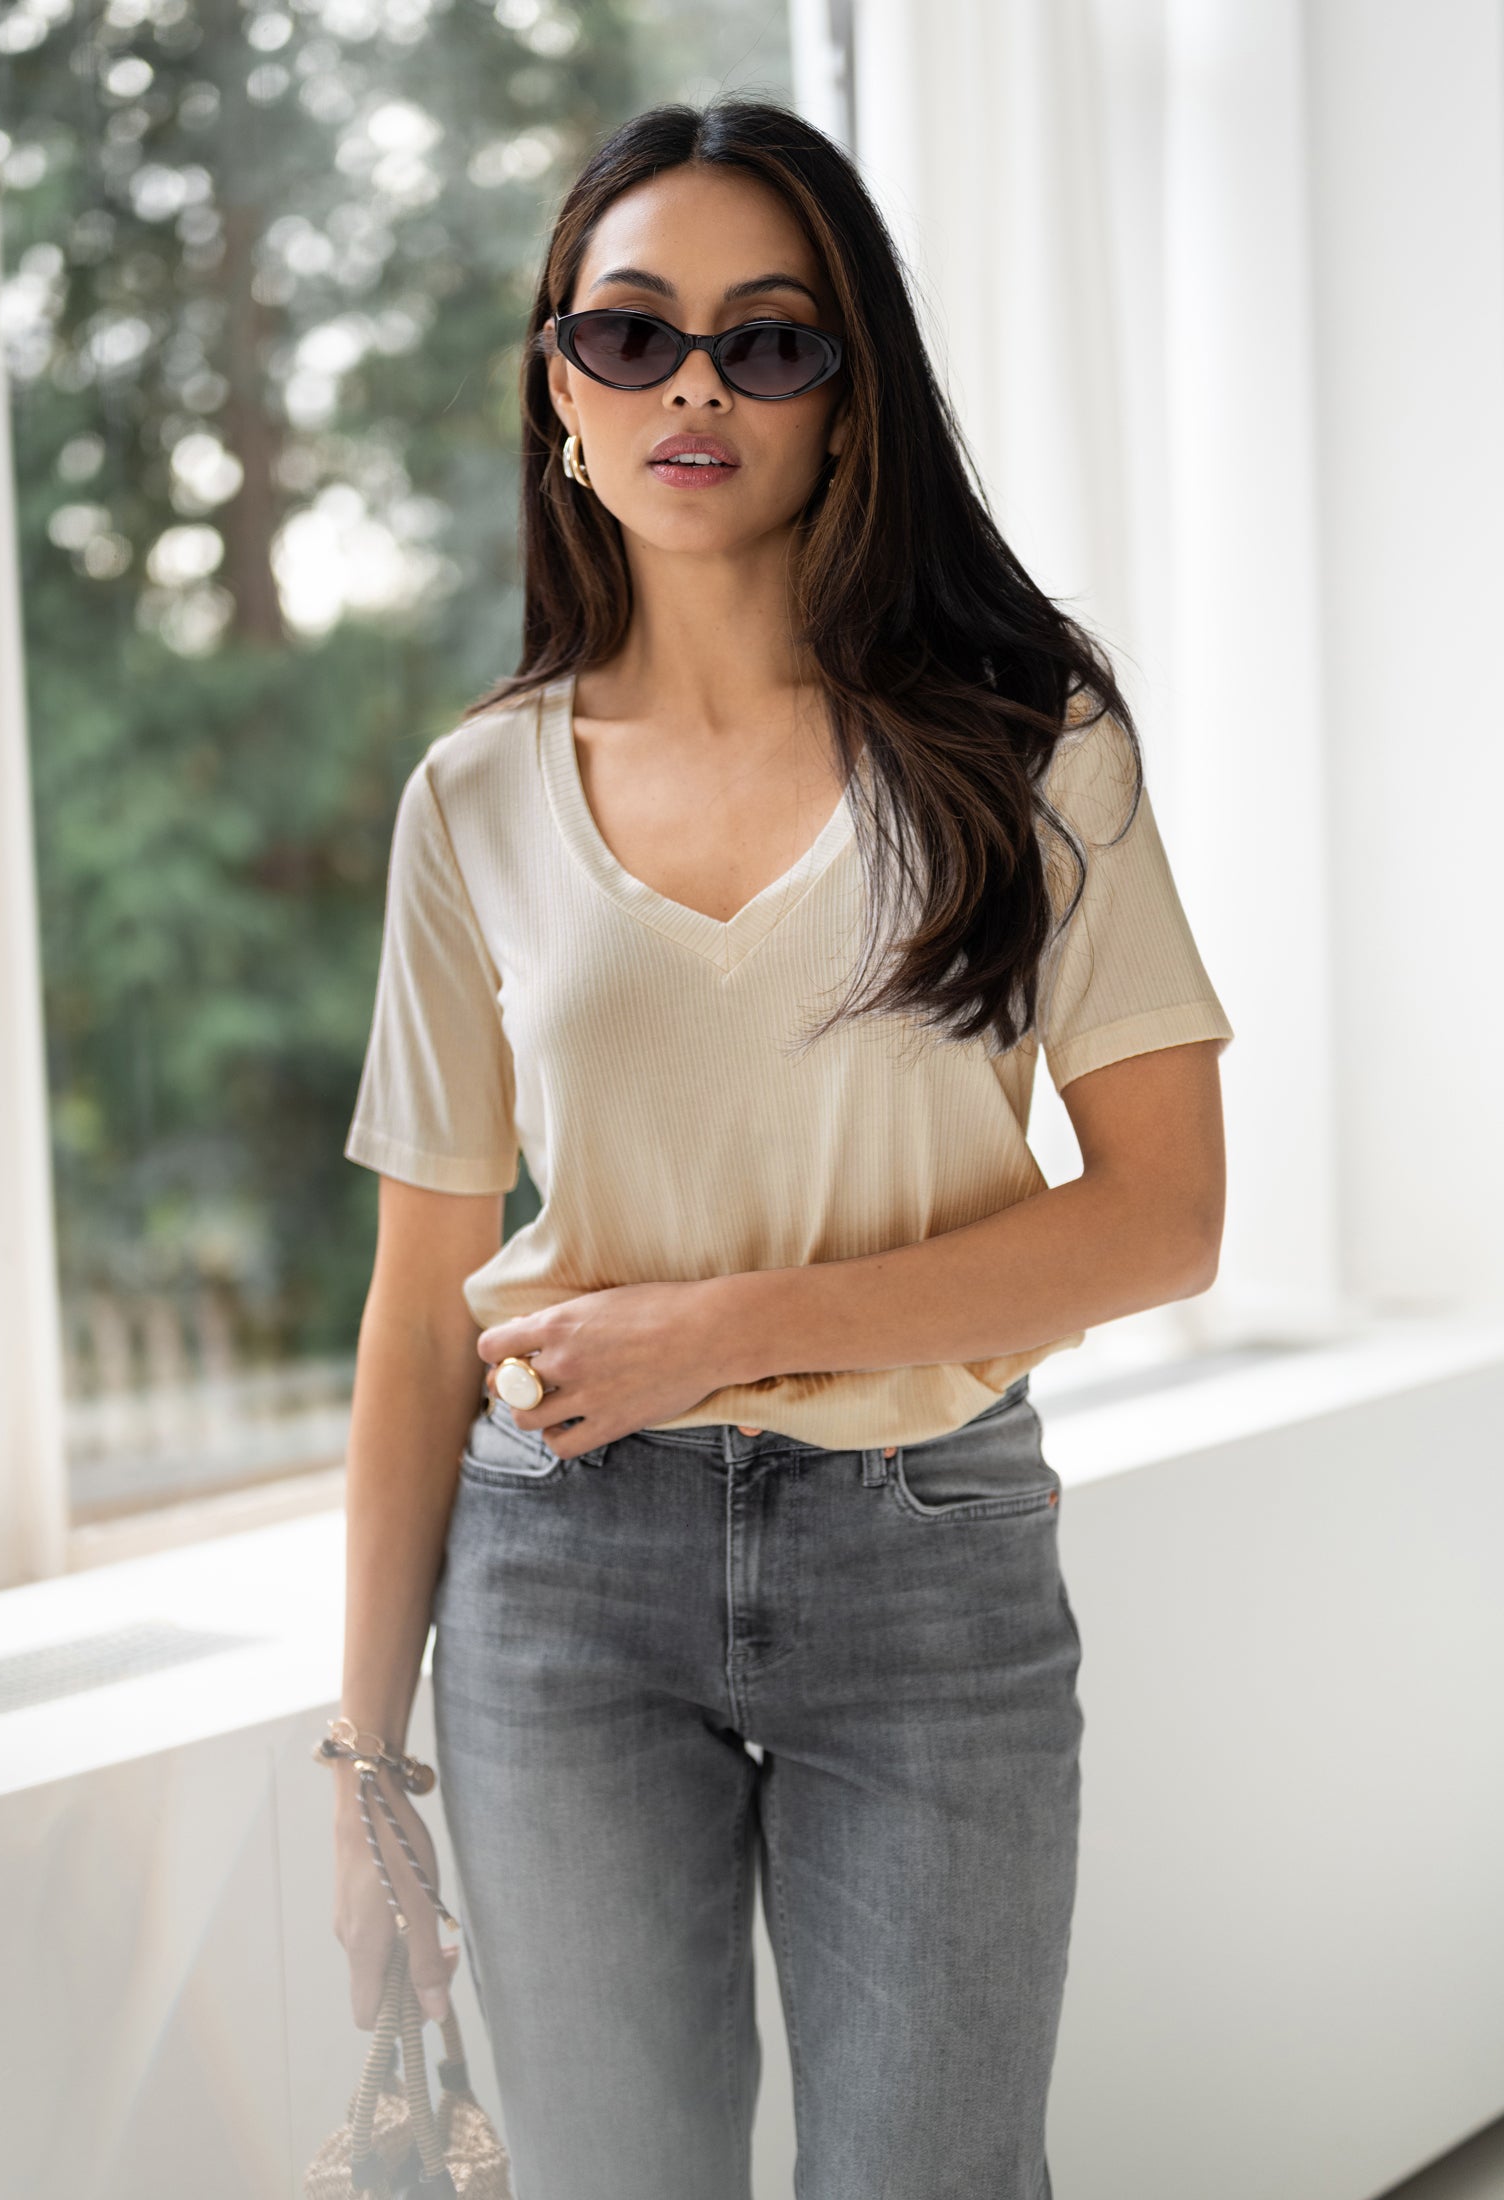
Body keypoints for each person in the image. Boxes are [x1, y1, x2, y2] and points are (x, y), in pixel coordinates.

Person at [325, 95, 1232, 2200]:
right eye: (631, 335)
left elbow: (1169, 1217)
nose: (696, 385)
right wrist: (367, 1765)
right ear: (560, 384)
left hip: (927, 1559)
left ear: (851, 400)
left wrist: (723, 1329)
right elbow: (410, 1308)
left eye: (771, 338)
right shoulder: (471, 799)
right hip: (555, 1576)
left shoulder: (1029, 737)